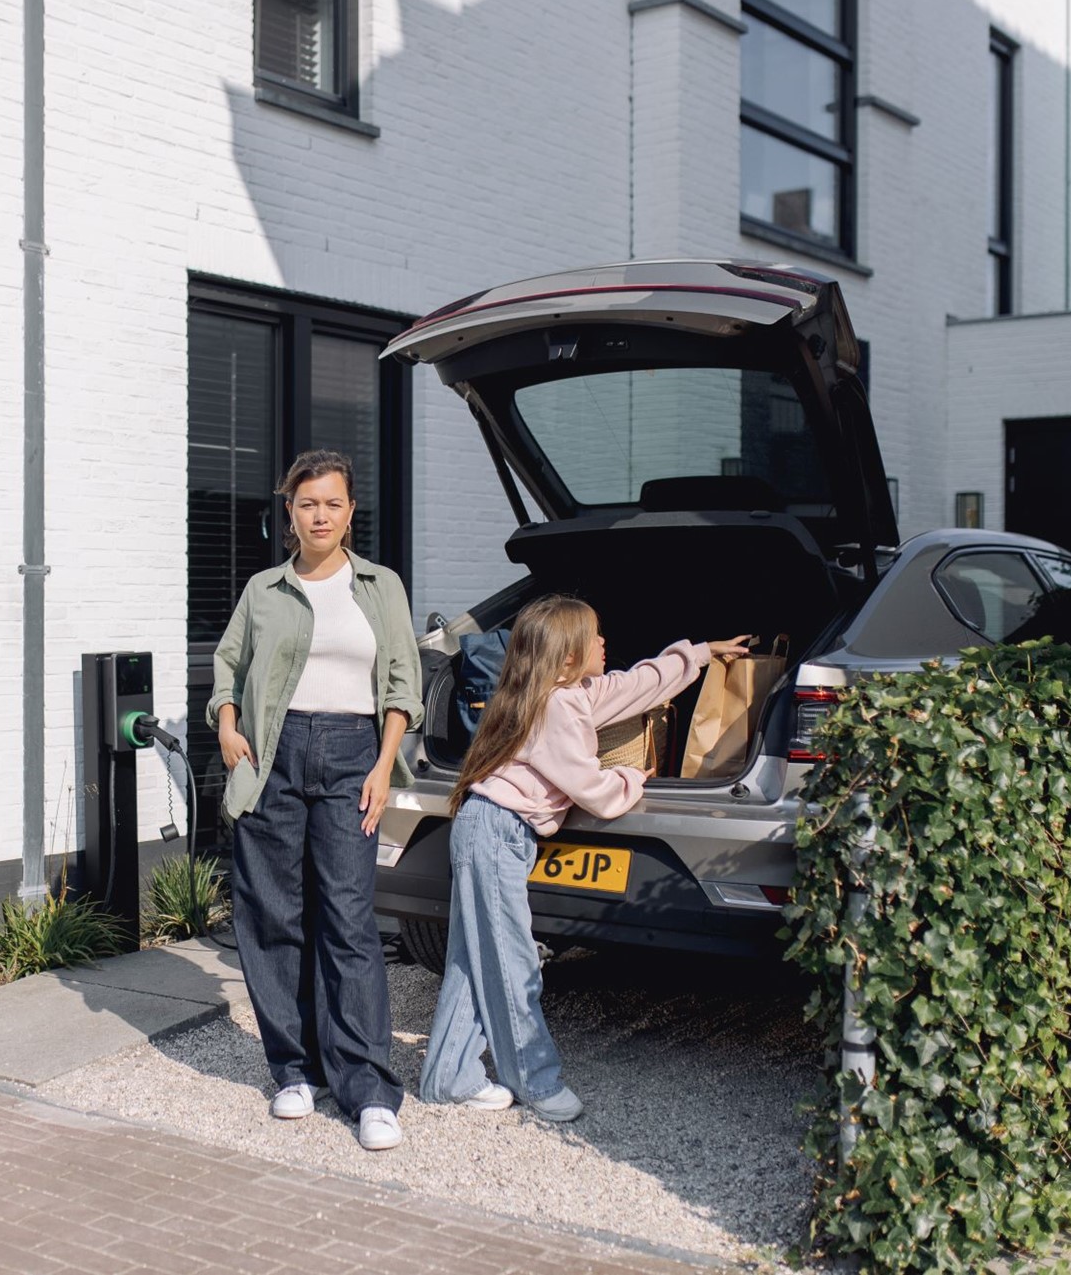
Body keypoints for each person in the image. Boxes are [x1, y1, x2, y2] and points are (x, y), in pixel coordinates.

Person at [418, 595, 752, 1121]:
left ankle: (448, 1077)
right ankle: (536, 1083)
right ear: (568, 656)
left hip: (489, 830)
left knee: (474, 957)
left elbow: (631, 685)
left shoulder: (557, 693)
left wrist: (699, 654)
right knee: (513, 962)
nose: (603, 641)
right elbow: (591, 789)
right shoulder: (555, 708)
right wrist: (632, 777)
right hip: (498, 835)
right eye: (593, 635)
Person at [207, 450, 423, 1152]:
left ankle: (366, 1085)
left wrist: (385, 763)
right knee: (273, 915)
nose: (320, 515)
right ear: (290, 511)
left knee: (349, 918)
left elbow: (401, 680)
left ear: (350, 511)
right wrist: (227, 723)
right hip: (273, 752)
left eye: (332, 503)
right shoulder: (265, 588)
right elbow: (228, 665)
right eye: (307, 504)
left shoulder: (380, 586)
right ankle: (294, 1069)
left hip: (352, 754)